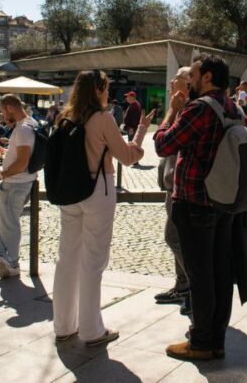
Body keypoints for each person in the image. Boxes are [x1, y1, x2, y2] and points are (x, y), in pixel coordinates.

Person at [154, 54, 247, 361]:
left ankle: (199, 342)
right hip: (224, 203)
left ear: (207, 77)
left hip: (194, 202)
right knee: (220, 275)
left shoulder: (199, 108)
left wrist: (172, 111)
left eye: (193, 75)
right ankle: (216, 341)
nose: (189, 81)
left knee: (199, 277)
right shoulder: (234, 107)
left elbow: (163, 145)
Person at [53, 71, 153, 347]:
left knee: (67, 258)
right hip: (97, 189)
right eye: (107, 88)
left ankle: (63, 325)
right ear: (97, 90)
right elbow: (128, 157)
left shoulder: (64, 116)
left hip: (69, 191)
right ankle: (91, 330)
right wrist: (142, 131)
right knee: (93, 261)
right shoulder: (102, 118)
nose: (109, 93)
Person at [0, 94, 38, 278]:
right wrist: (6, 152)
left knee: (8, 223)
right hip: (19, 182)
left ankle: (12, 263)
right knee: (2, 221)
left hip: (16, 183)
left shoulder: (23, 128)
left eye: (2, 111)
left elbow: (23, 161)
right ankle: (4, 261)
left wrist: (3, 174)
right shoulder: (29, 124)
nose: (2, 116)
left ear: (9, 108)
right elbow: (23, 154)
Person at [155, 67, 192, 315]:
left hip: (181, 187)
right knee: (177, 237)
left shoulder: (188, 111)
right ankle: (183, 286)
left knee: (174, 237)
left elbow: (163, 143)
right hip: (172, 185)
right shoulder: (183, 109)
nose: (171, 80)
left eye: (177, 76)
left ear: (188, 83)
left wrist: (172, 111)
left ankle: (193, 286)